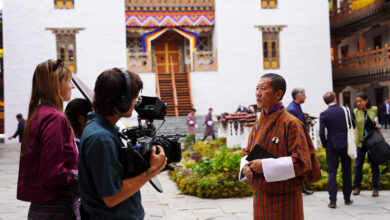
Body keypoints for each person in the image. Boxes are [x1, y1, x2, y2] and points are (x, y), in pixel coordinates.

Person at [78, 68, 166, 219]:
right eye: (135, 99)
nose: (137, 103)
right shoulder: (101, 138)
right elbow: (111, 197)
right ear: (122, 102)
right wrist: (152, 170)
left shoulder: (102, 129)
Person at [240, 73, 321, 219]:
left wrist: (264, 165)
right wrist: (246, 165)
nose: (258, 93)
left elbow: (302, 161)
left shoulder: (291, 123)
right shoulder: (259, 123)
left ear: (278, 94)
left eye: (263, 89)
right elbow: (247, 150)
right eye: (257, 88)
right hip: (261, 197)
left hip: (285, 199)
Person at [17, 59, 80, 219]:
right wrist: (84, 175)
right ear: (56, 86)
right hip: (55, 208)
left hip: (43, 206)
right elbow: (53, 173)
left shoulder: (39, 113)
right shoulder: (54, 118)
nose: (72, 86)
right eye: (68, 81)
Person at [319, 92, 353, 208]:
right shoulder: (345, 110)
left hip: (332, 146)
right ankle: (347, 199)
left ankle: (332, 201)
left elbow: (321, 133)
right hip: (346, 144)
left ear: (326, 101)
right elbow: (352, 125)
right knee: (347, 172)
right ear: (335, 99)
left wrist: (325, 144)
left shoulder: (324, 114)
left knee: (332, 173)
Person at [286, 87, 314, 195]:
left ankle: (302, 187)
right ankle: (299, 186)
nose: (305, 97)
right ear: (299, 96)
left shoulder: (296, 106)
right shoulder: (292, 109)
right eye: (304, 95)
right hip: (296, 142)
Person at [352, 92, 380, 197]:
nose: (358, 103)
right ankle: (357, 186)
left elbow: (379, 121)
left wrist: (379, 125)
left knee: (374, 164)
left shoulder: (374, 109)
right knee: (358, 164)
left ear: (366, 100)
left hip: (373, 141)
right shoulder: (355, 111)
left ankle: (376, 188)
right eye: (357, 101)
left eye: (360, 101)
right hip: (360, 141)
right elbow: (352, 125)